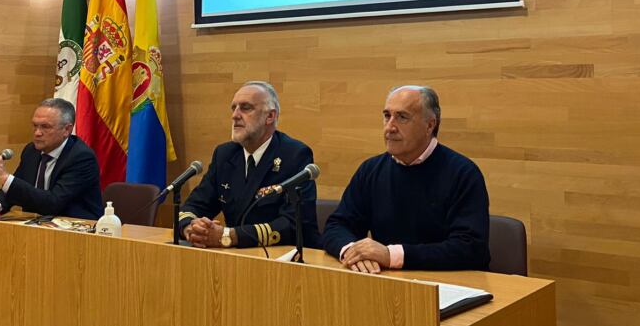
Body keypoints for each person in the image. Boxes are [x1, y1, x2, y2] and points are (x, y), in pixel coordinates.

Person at [321, 86, 489, 273]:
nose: (390, 127)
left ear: (429, 125)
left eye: (402, 117)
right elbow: (337, 225)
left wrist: (392, 255)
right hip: (386, 282)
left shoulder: (463, 173)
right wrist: (352, 252)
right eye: (387, 116)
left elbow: (469, 248)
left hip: (447, 286)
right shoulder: (371, 169)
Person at [179, 81, 319, 249]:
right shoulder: (225, 154)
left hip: (279, 260)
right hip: (236, 258)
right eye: (234, 108)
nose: (235, 115)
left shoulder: (294, 155)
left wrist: (229, 236)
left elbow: (293, 224)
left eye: (245, 108)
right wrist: (192, 227)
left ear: (270, 116)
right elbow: (195, 205)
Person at [0, 98, 103, 220]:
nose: (37, 133)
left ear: (67, 130)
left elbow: (53, 203)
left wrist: (5, 178)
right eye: (35, 126)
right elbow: (16, 189)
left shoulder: (81, 158)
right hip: (38, 227)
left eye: (45, 127)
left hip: (78, 232)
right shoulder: (32, 151)